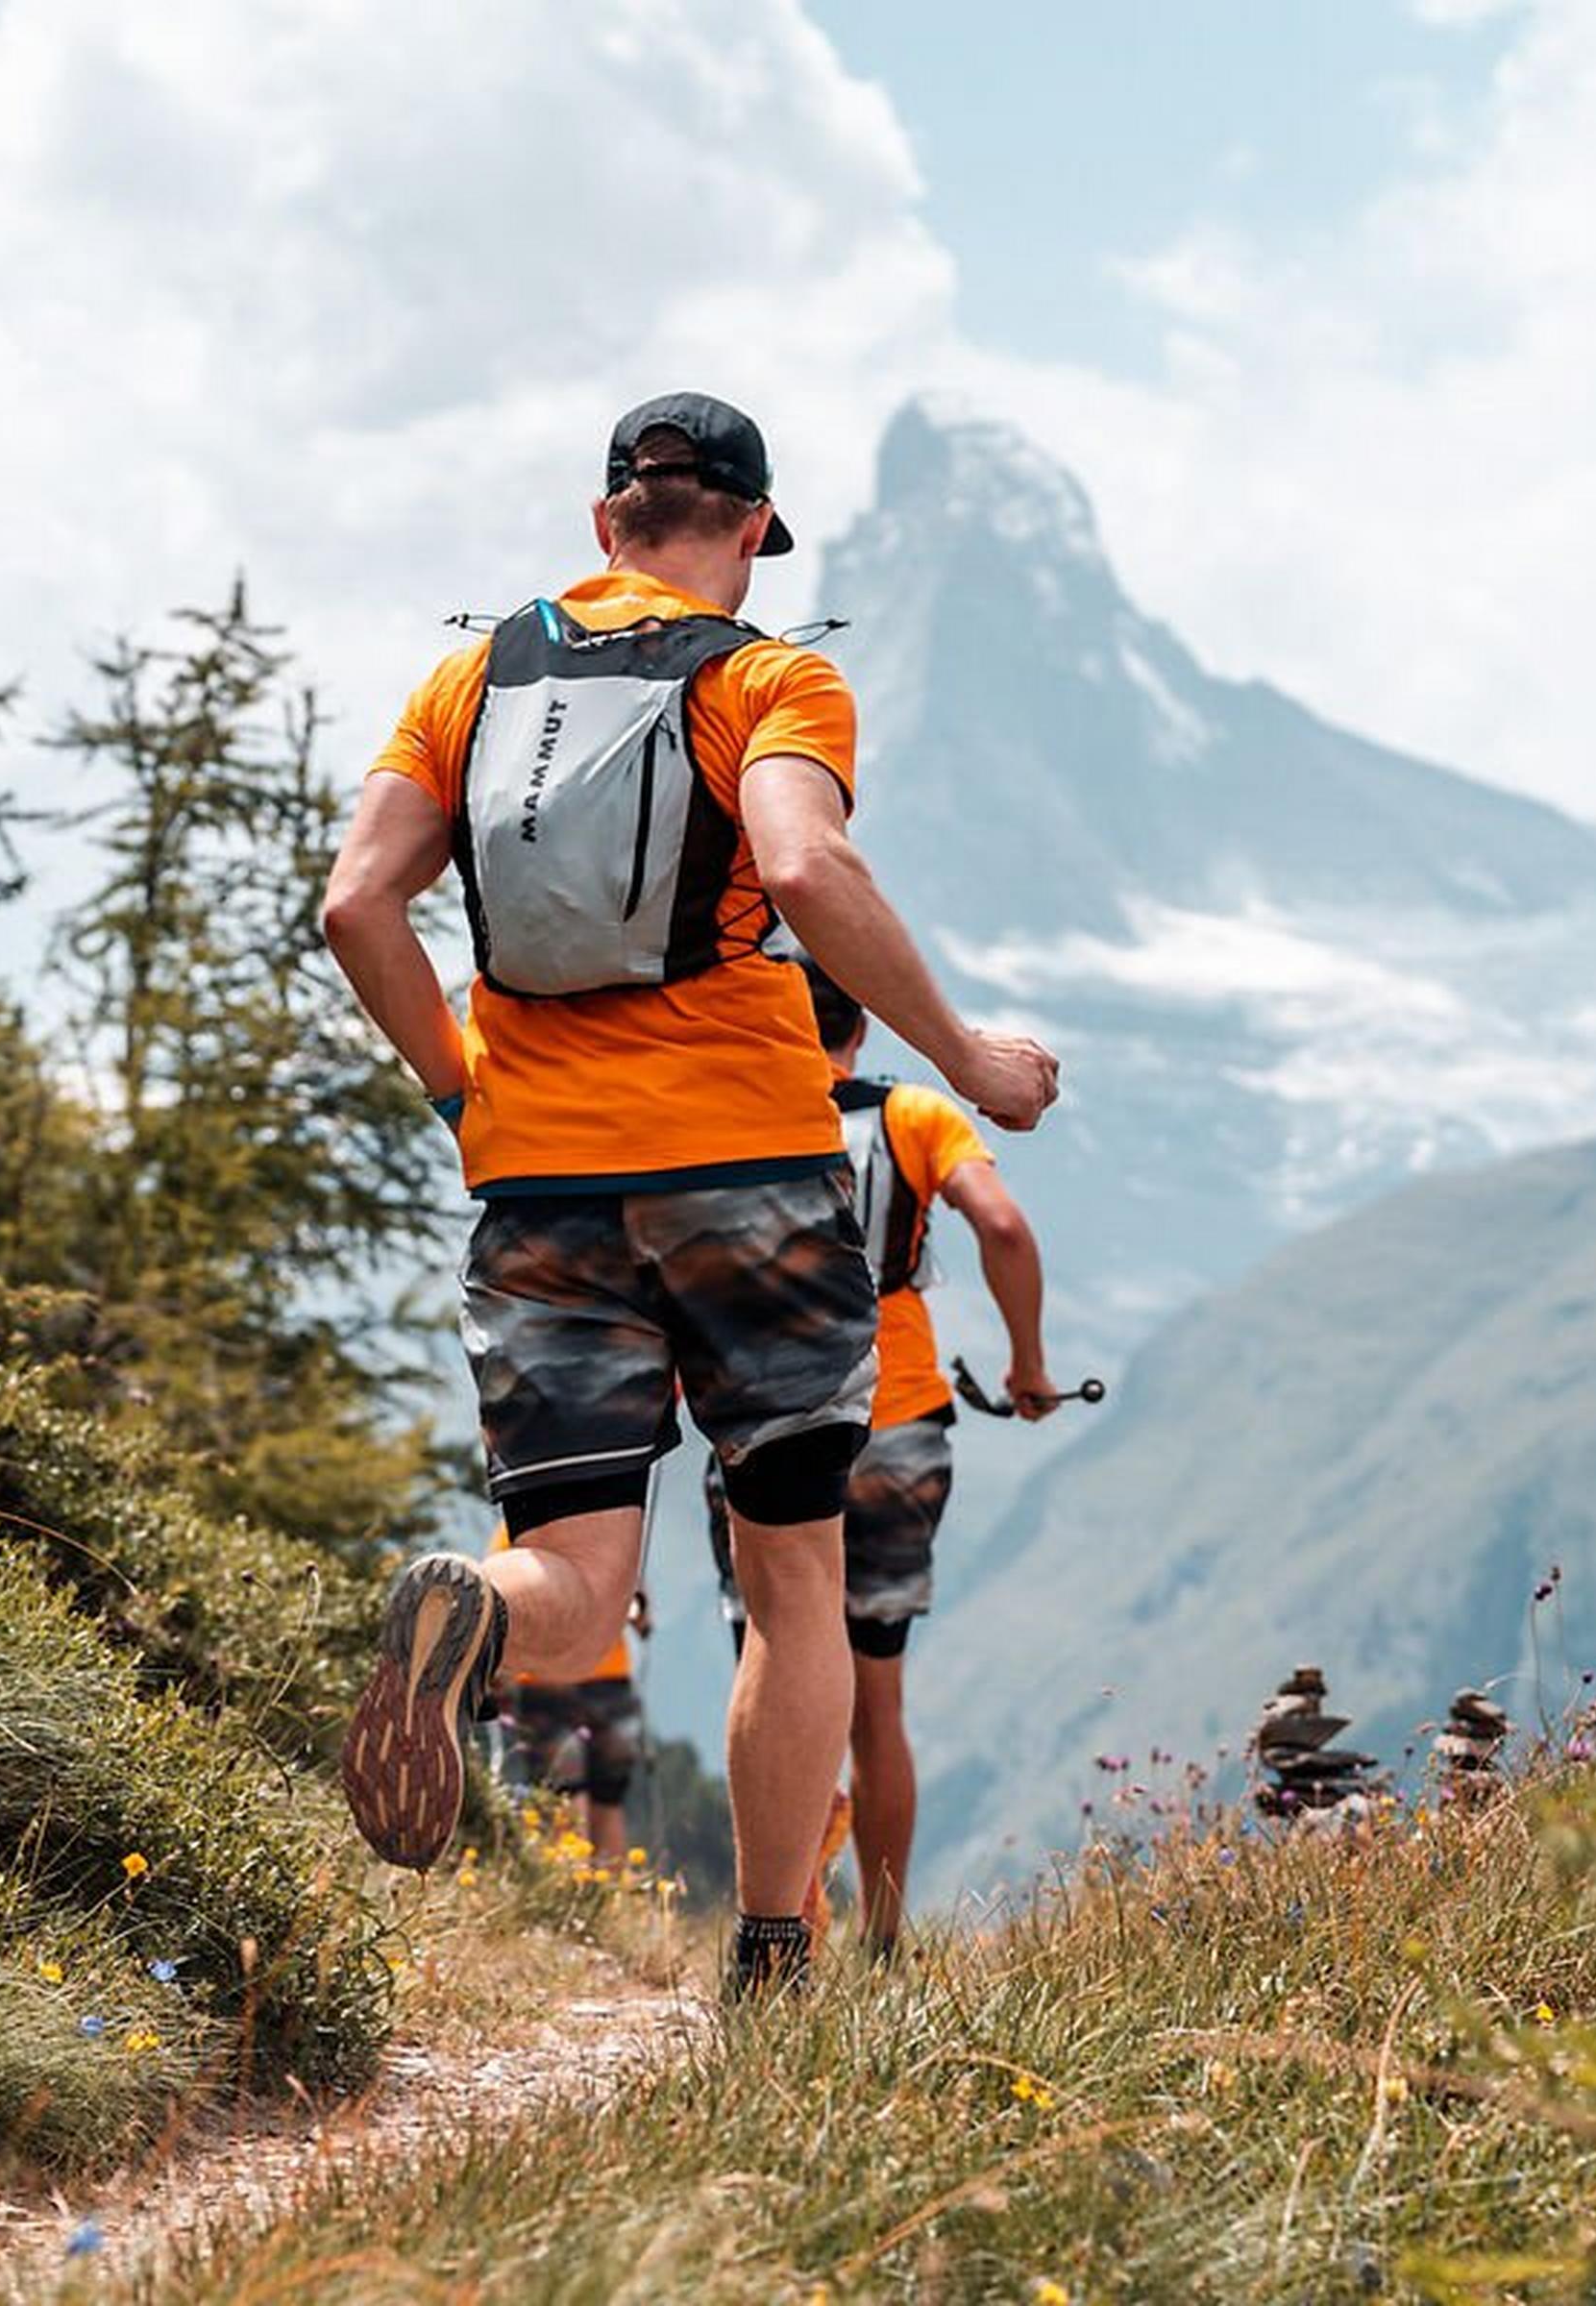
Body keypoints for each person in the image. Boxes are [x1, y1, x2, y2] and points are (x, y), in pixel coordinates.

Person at [319, 389, 1060, 1999]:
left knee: (578, 1585)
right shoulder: (769, 675)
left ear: (604, 526)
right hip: (751, 1180)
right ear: (747, 533)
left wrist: (465, 1094)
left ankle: (468, 1612)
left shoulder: (468, 679)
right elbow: (801, 870)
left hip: (541, 1195)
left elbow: (356, 904)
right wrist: (968, 1056)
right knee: (791, 1578)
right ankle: (777, 1955)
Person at [707, 955, 1058, 1958]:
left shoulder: (737, 1111)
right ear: (860, 1028)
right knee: (878, 1697)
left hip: (759, 1410)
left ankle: (784, 1926)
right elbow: (1002, 1225)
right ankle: (888, 1937)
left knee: (773, 1668)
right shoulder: (915, 1118)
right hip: (899, 1417)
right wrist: (1026, 1364)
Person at [482, 1526, 645, 1863]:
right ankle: (614, 1902)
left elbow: (497, 1604)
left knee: (564, 1796)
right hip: (610, 1680)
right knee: (608, 1800)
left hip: (546, 1683)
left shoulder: (516, 1530)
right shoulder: (612, 1528)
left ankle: (573, 1895)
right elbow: (640, 1613)